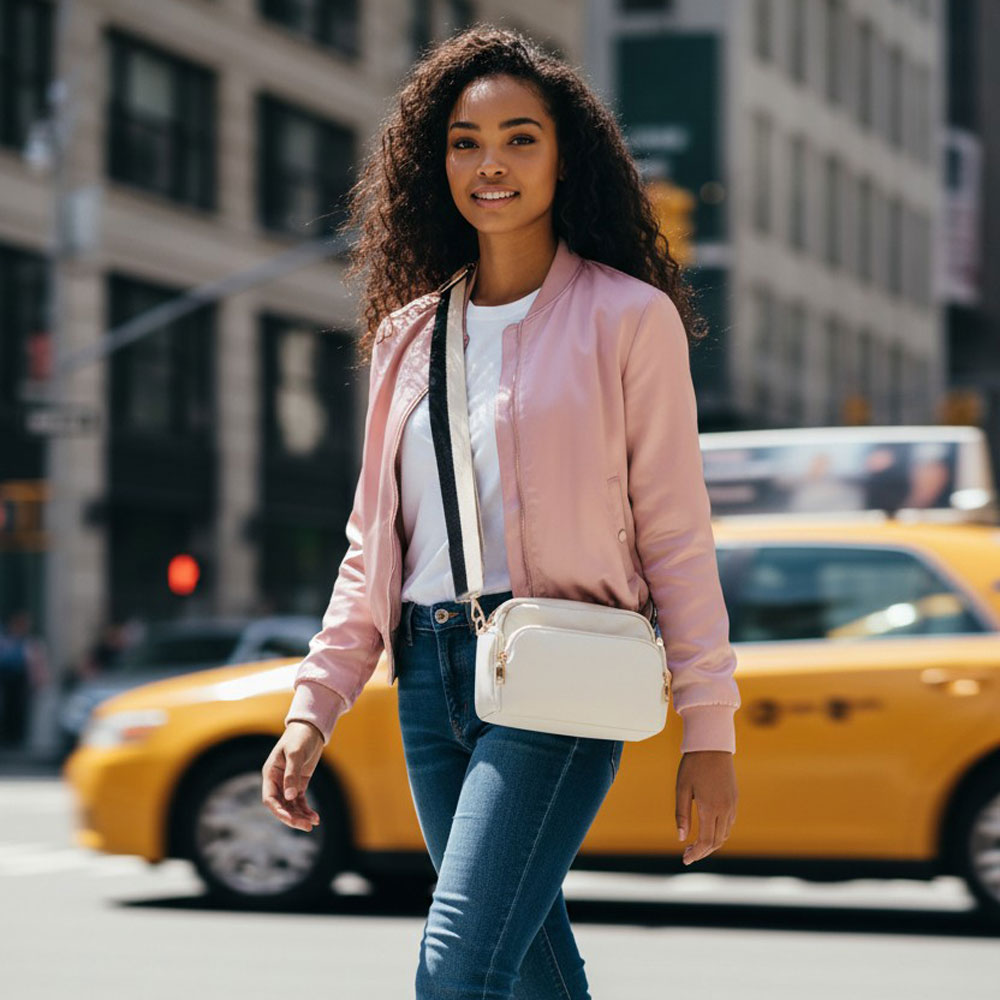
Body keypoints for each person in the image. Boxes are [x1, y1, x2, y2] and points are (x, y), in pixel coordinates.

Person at [262, 26, 740, 999]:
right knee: (526, 964)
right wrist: (314, 706)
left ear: (565, 159)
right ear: (434, 164)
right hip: (428, 676)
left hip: (558, 664)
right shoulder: (406, 337)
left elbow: (676, 535)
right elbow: (372, 546)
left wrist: (709, 728)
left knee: (457, 967)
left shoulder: (627, 318)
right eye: (464, 142)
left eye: (520, 138)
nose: (491, 164)